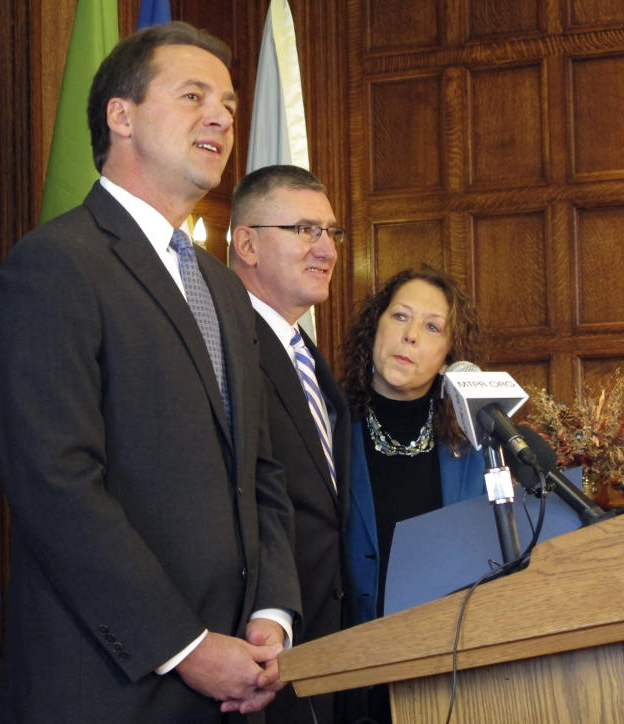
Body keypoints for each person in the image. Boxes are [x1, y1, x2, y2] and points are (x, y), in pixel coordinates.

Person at [0, 22, 300, 724]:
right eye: (193, 96)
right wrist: (186, 647)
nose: (220, 116)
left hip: (240, 682)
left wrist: (272, 613)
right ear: (120, 116)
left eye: (227, 103)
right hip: (112, 685)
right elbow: (55, 485)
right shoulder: (56, 264)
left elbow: (262, 469)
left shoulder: (221, 287)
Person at [229, 164, 350, 724]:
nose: (325, 249)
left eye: (331, 233)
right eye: (306, 230)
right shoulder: (223, 347)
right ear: (247, 243)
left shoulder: (304, 352)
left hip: (321, 656)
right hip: (249, 660)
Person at [339, 266, 486, 723]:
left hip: (445, 677)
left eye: (431, 326)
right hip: (349, 671)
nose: (410, 337)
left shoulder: (475, 448)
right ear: (375, 328)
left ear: (448, 357)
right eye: (400, 317)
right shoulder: (327, 430)